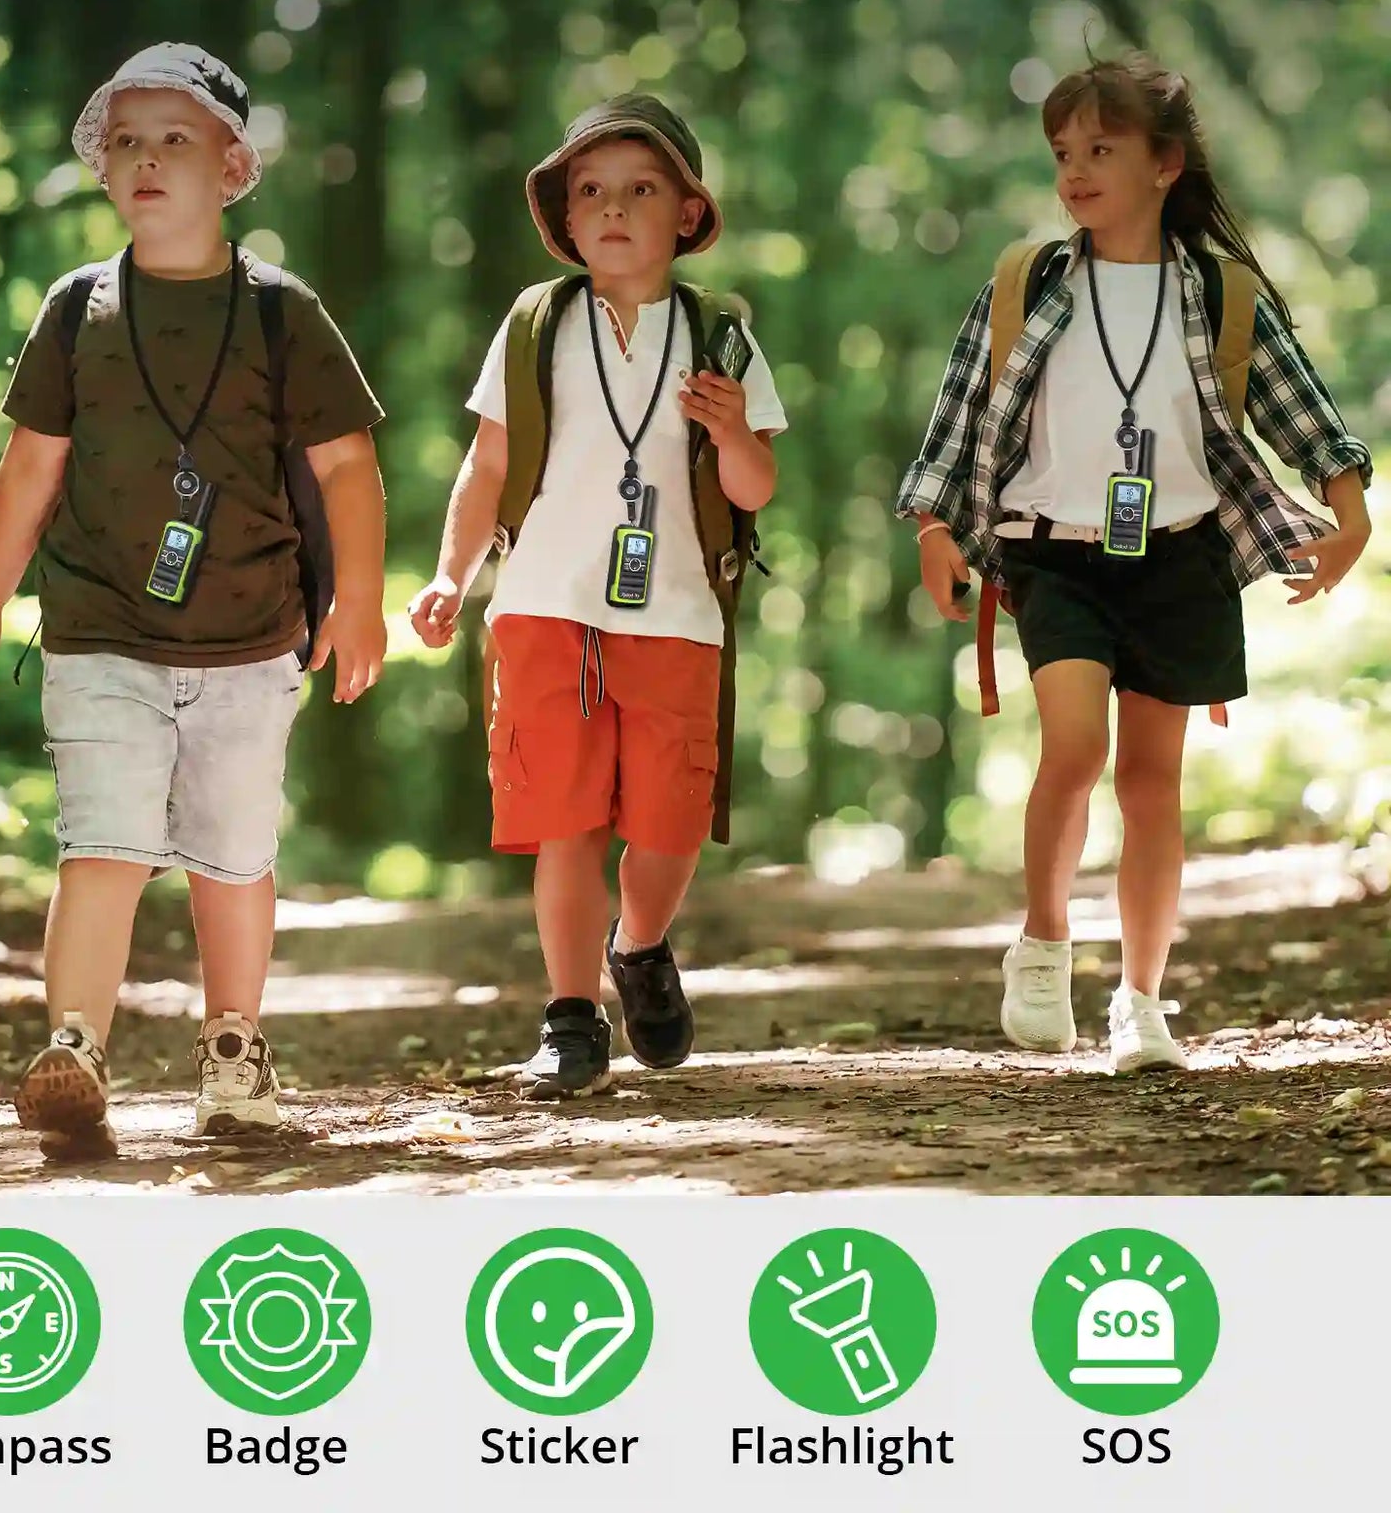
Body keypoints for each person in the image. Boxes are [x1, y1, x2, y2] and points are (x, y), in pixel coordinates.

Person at [900, 55, 1372, 1073]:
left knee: (1152, 782)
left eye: (1100, 150)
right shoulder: (1028, 283)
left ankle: (1142, 1001)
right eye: (1062, 152)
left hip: (1179, 560)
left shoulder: (1221, 292)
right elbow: (958, 418)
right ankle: (1042, 943)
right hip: (1053, 557)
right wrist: (934, 530)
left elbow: (1305, 416)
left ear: (1163, 165)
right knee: (1073, 749)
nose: (1074, 170)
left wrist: (1350, 518)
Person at [0, 44, 386, 1154]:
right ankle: (74, 1047)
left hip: (250, 636)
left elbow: (345, 466)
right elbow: (31, 467)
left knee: (232, 857)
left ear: (232, 168)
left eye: (175, 139)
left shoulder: (283, 312)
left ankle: (233, 1047)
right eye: (126, 141)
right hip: (99, 628)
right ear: (103, 170)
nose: (146, 158)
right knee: (100, 842)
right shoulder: (76, 309)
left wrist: (361, 601)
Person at [410, 94, 784, 1098]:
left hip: (677, 611)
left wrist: (733, 432)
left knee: (668, 823)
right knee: (564, 816)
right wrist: (451, 574)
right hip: (543, 598)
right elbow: (487, 467)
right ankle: (569, 1017)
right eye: (591, 191)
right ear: (565, 218)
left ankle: (640, 942)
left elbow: (754, 490)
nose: (613, 208)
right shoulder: (535, 324)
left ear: (687, 214)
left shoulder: (719, 334)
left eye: (641, 190)